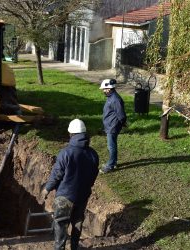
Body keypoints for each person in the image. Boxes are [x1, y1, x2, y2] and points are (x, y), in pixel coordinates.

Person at [41, 119, 99, 250]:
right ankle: (74, 247)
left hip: (65, 197)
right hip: (82, 196)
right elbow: (93, 175)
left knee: (61, 225)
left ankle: (59, 248)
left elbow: (57, 174)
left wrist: (47, 189)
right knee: (77, 223)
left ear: (71, 134)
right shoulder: (93, 154)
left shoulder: (66, 153)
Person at [100, 79, 126, 173]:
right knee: (112, 145)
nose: (103, 90)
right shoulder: (111, 97)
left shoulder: (115, 99)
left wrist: (123, 123)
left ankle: (110, 165)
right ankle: (113, 162)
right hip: (110, 125)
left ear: (109, 89)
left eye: (104, 89)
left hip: (112, 126)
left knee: (111, 146)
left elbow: (121, 114)